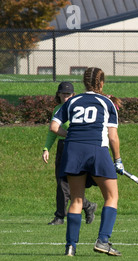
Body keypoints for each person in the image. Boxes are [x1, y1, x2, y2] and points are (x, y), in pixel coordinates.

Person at [50, 67, 124, 256]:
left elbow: (54, 127)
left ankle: (70, 246)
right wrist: (118, 160)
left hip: (73, 151)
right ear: (101, 83)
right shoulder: (106, 102)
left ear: (84, 83)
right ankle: (103, 241)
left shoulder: (72, 101)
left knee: (76, 199)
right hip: (97, 151)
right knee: (111, 197)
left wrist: (73, 136)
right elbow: (113, 137)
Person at [42, 82, 97, 225]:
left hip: (75, 147)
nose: (66, 97)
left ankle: (60, 216)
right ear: (58, 94)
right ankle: (87, 206)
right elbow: (52, 131)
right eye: (63, 94)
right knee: (62, 183)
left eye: (69, 94)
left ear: (73, 95)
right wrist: (46, 148)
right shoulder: (57, 109)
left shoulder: (76, 108)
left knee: (68, 184)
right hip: (62, 147)